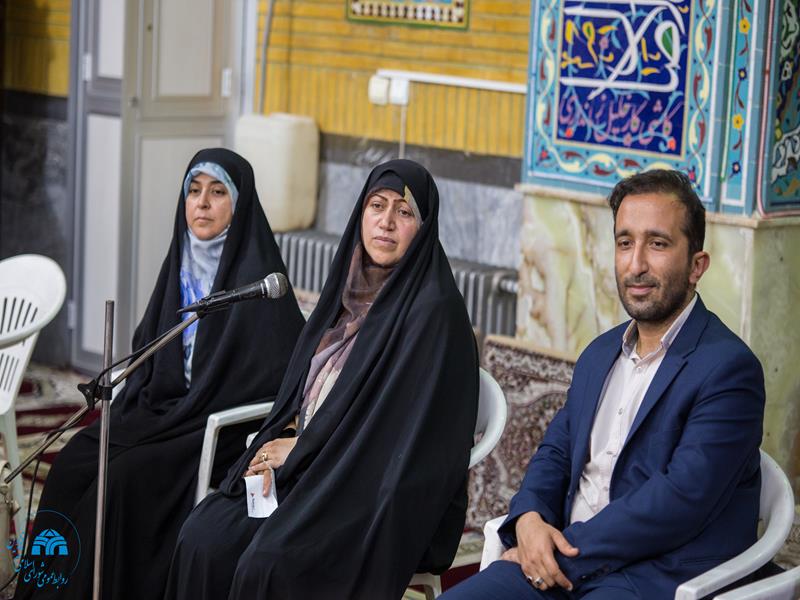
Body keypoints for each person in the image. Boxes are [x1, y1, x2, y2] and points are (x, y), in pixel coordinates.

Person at [441, 170, 765, 600]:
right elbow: (556, 453)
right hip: (556, 562)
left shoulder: (729, 369)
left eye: (658, 244)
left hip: (649, 578)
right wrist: (530, 520)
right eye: (625, 243)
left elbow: (680, 501)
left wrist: (556, 552)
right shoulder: (600, 354)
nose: (636, 264)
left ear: (696, 266)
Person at [163, 159, 480, 600]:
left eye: (405, 212)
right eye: (376, 206)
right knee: (204, 537)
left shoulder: (434, 313)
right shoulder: (348, 292)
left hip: (367, 492)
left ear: (424, 228)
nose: (386, 222)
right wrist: (283, 441)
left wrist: (304, 450)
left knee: (267, 565)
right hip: (311, 469)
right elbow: (306, 393)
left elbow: (404, 440)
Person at [14, 148, 305, 600]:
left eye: (217, 192)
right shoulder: (180, 265)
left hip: (214, 427)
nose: (201, 203)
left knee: (120, 481)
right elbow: (150, 353)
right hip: (160, 410)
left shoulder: (260, 281)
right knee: (71, 465)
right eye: (193, 191)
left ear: (240, 204)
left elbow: (279, 377)